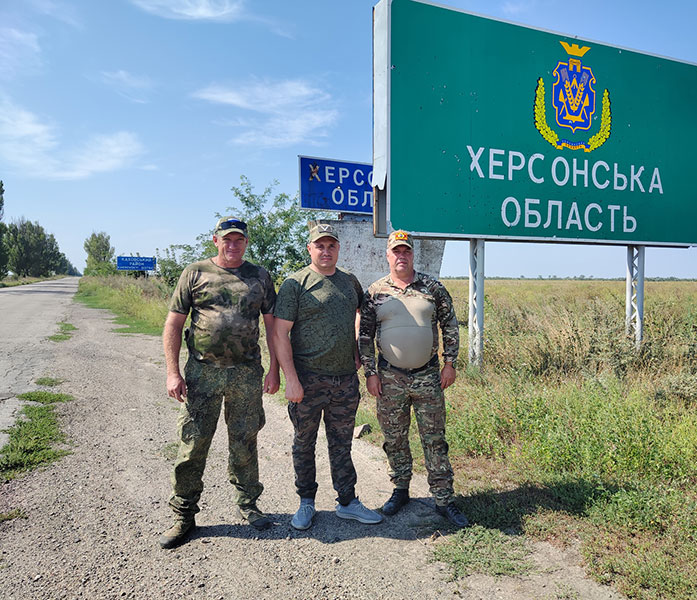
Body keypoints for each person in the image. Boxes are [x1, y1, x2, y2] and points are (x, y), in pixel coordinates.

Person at [158, 216, 280, 549]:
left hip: (246, 373)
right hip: (202, 373)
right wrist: (172, 372)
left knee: (245, 440)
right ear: (216, 241)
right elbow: (173, 325)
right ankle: (183, 514)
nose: (233, 245)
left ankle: (248, 503)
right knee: (193, 444)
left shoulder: (260, 277)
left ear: (246, 242)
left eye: (239, 239)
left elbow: (272, 327)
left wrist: (275, 369)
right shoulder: (195, 273)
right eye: (227, 239)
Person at [272, 223, 383, 530]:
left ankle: (347, 501)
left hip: (344, 380)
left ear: (338, 248)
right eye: (319, 246)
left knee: (342, 443)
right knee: (304, 442)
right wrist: (291, 378)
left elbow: (361, 313)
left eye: (331, 245)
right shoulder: (296, 283)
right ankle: (306, 502)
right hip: (308, 379)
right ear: (310, 249)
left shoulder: (349, 281)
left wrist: (357, 346)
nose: (325, 251)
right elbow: (280, 333)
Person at [358, 230, 468, 528]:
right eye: (396, 251)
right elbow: (365, 336)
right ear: (388, 255)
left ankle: (444, 499)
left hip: (428, 376)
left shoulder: (432, 287)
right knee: (394, 438)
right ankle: (400, 489)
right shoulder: (376, 291)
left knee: (434, 439)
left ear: (412, 254)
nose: (401, 256)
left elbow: (450, 325)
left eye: (406, 250)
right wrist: (370, 373)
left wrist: (450, 363)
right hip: (389, 378)